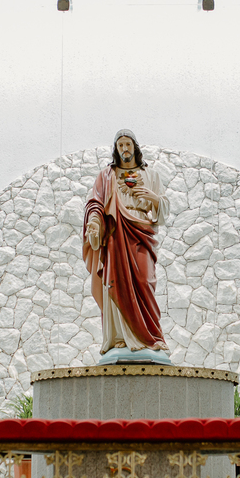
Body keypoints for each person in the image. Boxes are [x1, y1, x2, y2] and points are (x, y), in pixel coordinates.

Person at [82, 130, 169, 357]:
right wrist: (94, 221)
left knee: (144, 279)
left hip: (141, 231)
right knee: (115, 281)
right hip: (115, 233)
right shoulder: (107, 175)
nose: (124, 149)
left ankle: (151, 336)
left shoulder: (150, 174)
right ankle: (119, 336)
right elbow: (96, 202)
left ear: (135, 146)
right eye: (120, 145)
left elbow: (163, 206)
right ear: (116, 149)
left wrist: (153, 199)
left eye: (127, 144)